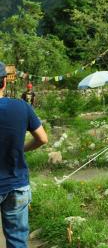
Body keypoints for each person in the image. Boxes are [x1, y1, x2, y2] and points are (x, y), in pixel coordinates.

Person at [0, 62, 48, 248]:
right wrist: (22, 148)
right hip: (16, 186)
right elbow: (42, 139)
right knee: (17, 241)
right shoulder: (21, 107)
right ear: (4, 82)